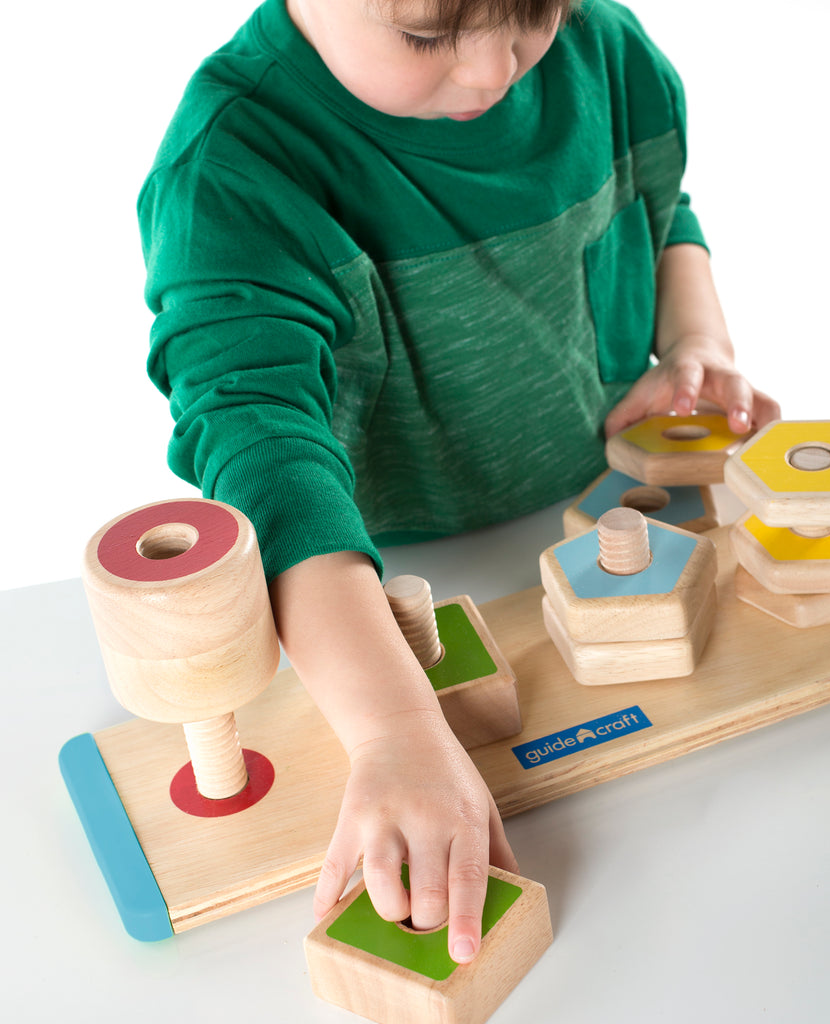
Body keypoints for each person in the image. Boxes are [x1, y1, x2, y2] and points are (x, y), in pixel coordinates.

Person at [140, 0, 780, 965]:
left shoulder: (603, 48)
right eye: (429, 36)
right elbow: (260, 447)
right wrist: (395, 730)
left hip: (588, 507)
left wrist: (698, 342)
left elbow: (661, 208)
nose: (493, 69)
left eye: (535, 8)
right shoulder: (233, 170)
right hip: (386, 571)